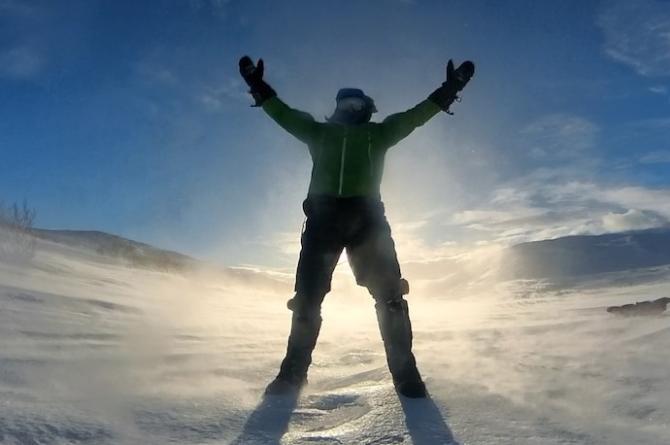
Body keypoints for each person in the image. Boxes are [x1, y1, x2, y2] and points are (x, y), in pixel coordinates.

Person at [239, 55, 474, 398]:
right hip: (323, 221)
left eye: (357, 103)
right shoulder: (317, 132)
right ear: (336, 107)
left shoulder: (379, 134)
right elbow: (282, 113)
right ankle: (291, 375)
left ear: (366, 108)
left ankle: (406, 376)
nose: (350, 109)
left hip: (368, 222)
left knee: (390, 296)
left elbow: (416, 116)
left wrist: (451, 88)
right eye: (345, 103)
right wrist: (258, 85)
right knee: (307, 299)